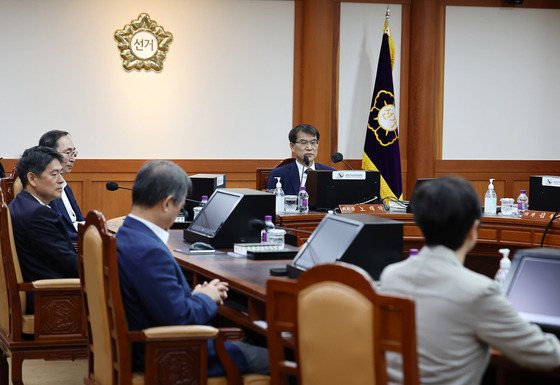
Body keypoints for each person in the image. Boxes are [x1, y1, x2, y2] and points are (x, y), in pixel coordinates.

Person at [380, 176, 560, 385]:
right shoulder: (479, 292)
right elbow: (546, 354)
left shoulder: (391, 275)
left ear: (420, 226)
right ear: (473, 230)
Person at [116, 160, 269, 377]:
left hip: (153, 346)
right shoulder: (148, 250)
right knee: (285, 359)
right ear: (168, 203)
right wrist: (207, 297)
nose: (181, 209)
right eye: (181, 205)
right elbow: (181, 318)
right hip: (173, 355)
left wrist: (193, 295)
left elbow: (161, 301)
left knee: (255, 341)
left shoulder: (127, 234)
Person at [8, 146, 79, 314]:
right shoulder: (38, 215)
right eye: (54, 174)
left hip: (43, 293)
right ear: (32, 178)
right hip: (51, 300)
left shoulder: (20, 204)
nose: (61, 180)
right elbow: (70, 265)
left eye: (61, 173)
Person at [39, 130, 84, 242]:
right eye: (68, 153)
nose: (73, 158)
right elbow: (57, 233)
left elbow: (78, 221)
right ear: (50, 154)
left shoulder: (64, 185)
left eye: (74, 153)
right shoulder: (45, 190)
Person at [267, 124, 335, 195]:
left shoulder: (331, 173)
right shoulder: (279, 174)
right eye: (303, 143)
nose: (309, 148)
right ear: (292, 146)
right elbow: (271, 204)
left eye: (313, 142)